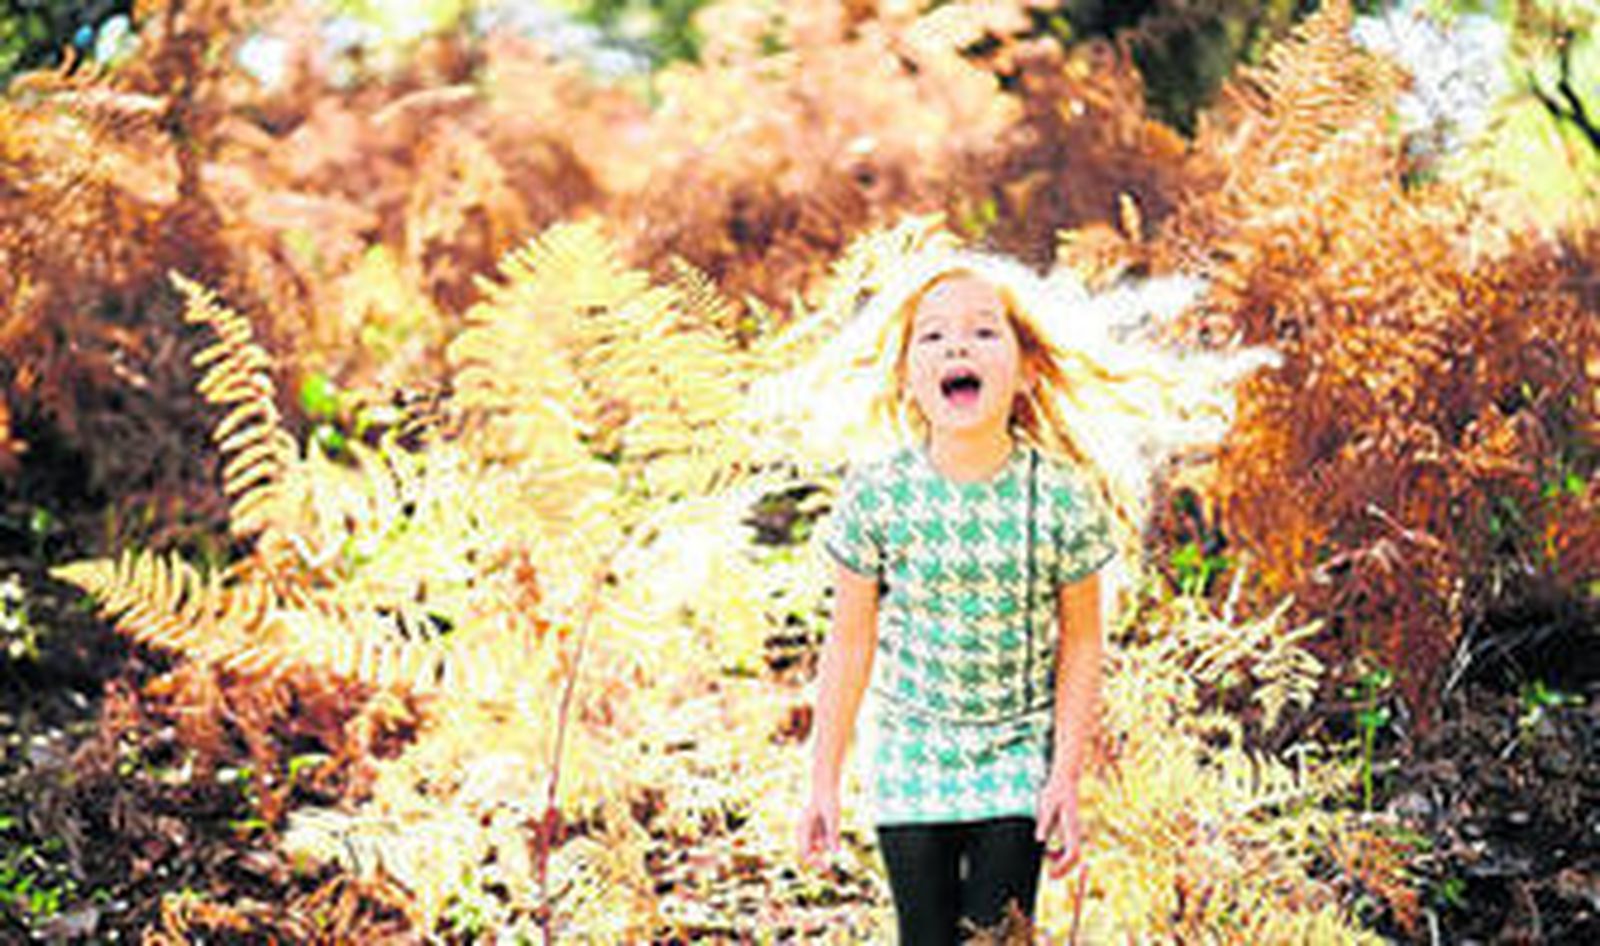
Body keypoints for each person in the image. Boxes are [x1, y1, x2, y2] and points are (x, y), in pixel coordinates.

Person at [795, 249, 1124, 944]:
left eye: (983, 331)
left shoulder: (1061, 497)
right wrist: (822, 779)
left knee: (998, 936)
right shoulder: (878, 494)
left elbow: (1083, 640)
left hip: (1015, 751)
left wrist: (1063, 775)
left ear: (1027, 369)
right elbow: (849, 642)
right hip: (909, 749)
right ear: (909, 377)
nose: (957, 345)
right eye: (934, 335)